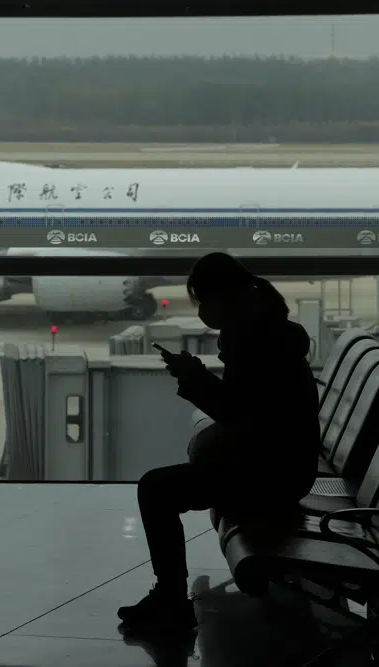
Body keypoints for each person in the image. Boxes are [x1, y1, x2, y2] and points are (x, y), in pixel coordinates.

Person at [117, 252, 320, 637]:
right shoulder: (264, 329)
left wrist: (196, 380)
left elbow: (244, 419)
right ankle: (169, 596)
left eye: (202, 301)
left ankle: (171, 600)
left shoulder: (258, 340)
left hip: (273, 473)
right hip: (285, 466)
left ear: (221, 297)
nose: (202, 312)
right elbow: (251, 412)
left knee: (156, 489)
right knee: (168, 483)